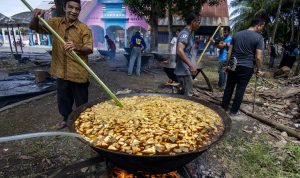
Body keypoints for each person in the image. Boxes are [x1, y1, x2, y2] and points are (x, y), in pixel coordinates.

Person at [29, 0, 93, 129]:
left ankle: (82, 122)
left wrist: (77, 46)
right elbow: (34, 27)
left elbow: (89, 48)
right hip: (61, 71)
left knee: (81, 102)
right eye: (70, 7)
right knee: (63, 100)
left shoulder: (84, 28)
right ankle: (65, 119)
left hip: (78, 72)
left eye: (77, 9)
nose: (73, 11)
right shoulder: (55, 23)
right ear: (64, 8)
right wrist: (35, 17)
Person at [221, 18, 265, 116]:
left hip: (233, 65)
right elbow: (258, 57)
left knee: (229, 87)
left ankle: (223, 108)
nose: (262, 29)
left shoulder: (236, 34)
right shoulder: (259, 38)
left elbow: (229, 52)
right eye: (262, 27)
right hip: (247, 67)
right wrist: (259, 69)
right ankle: (233, 111)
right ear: (258, 25)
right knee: (240, 89)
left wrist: (227, 65)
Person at [174, 12, 201, 96]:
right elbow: (180, 50)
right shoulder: (185, 34)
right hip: (183, 71)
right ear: (193, 22)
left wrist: (192, 63)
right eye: (198, 22)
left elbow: (188, 52)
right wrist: (190, 65)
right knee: (188, 96)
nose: (199, 25)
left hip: (185, 70)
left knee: (183, 96)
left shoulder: (189, 34)